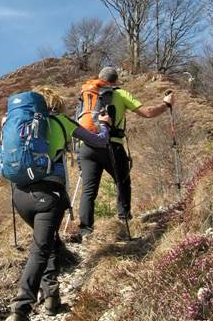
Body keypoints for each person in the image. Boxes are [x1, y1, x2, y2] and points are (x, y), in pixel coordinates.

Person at [6, 86, 112, 321]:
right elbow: (99, 142)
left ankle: (52, 296)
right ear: (57, 104)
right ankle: (21, 308)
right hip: (48, 197)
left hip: (20, 195)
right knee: (41, 249)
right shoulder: (64, 122)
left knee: (50, 241)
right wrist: (105, 124)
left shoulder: (20, 124)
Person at [72, 66, 174, 242]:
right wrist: (166, 104)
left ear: (99, 79)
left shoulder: (87, 95)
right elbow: (147, 113)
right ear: (116, 81)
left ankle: (85, 230)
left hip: (86, 145)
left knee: (89, 190)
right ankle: (124, 218)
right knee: (123, 181)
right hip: (111, 144)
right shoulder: (119, 94)